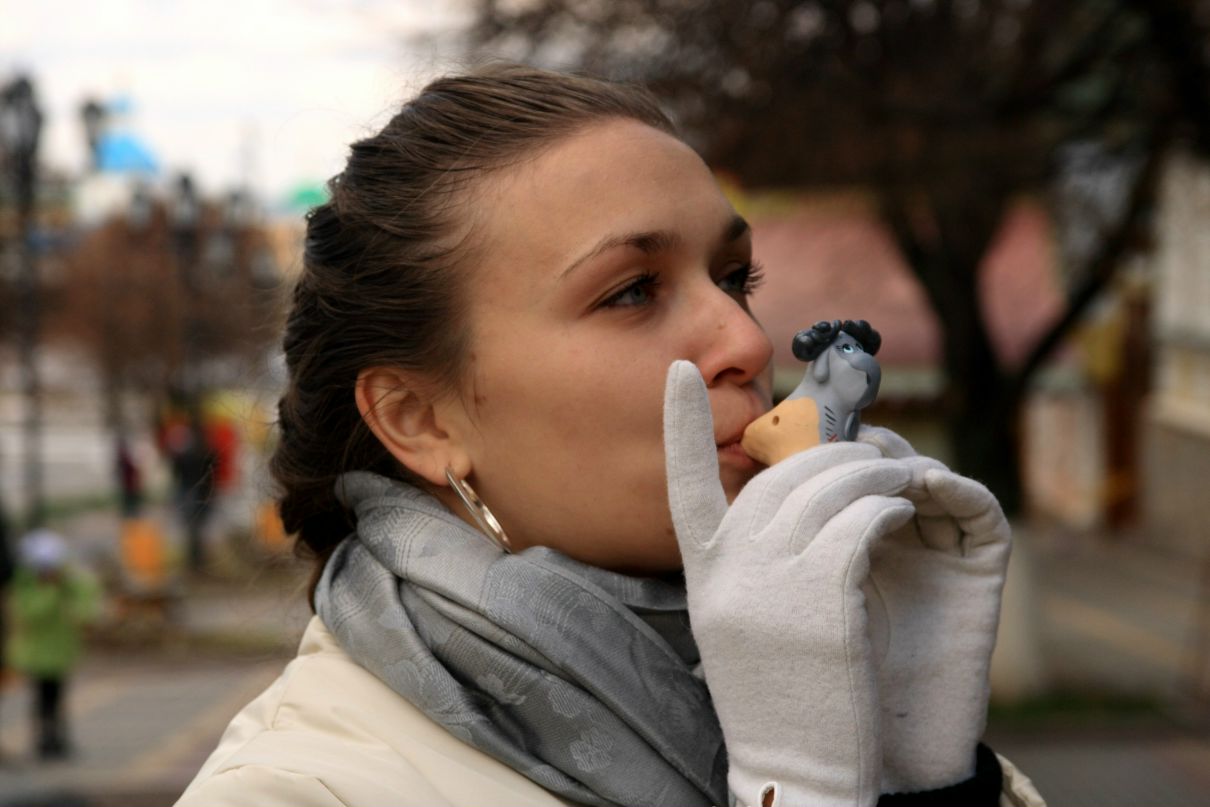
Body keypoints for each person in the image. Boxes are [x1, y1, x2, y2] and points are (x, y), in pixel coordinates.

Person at [176, 65, 1044, 807]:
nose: (747, 341)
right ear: (421, 419)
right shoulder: (293, 789)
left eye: (734, 277)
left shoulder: (820, 672)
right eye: (631, 291)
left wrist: (918, 775)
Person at [6, 529, 99, 760]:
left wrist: (72, 585)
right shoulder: (27, 586)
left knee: (57, 697)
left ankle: (58, 738)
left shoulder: (64, 582)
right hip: (37, 654)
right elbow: (32, 614)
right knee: (43, 699)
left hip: (60, 651)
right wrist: (51, 591)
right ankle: (44, 739)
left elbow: (86, 596)